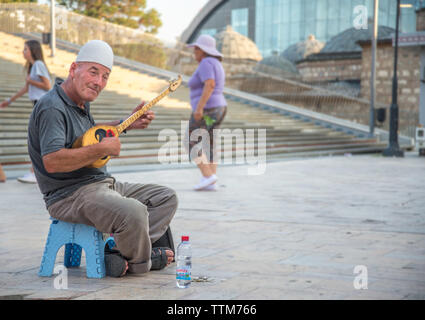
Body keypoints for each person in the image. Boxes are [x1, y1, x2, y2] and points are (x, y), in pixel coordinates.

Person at [27, 40, 177, 277]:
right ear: (74, 69)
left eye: (105, 76)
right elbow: (52, 161)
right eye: (93, 72)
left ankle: (116, 251)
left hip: (100, 185)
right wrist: (100, 150)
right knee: (135, 211)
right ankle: (144, 262)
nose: (99, 82)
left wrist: (126, 123)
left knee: (165, 197)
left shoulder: (79, 102)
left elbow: (88, 135)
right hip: (69, 195)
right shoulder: (52, 107)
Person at [0, 40, 51, 184]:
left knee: (37, 140)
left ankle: (35, 173)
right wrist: (9, 101)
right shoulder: (33, 67)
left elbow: (48, 85)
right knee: (38, 139)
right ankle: (36, 173)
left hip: (42, 105)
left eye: (25, 49)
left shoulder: (38, 65)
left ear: (33, 50)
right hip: (38, 105)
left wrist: (30, 81)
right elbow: (26, 88)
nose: (23, 52)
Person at [186, 34, 227, 191]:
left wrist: (199, 108)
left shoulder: (205, 63)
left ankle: (208, 176)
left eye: (196, 48)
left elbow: (210, 84)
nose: (194, 51)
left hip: (209, 109)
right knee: (210, 143)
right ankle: (210, 180)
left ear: (203, 50)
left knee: (191, 141)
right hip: (220, 107)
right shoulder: (216, 63)